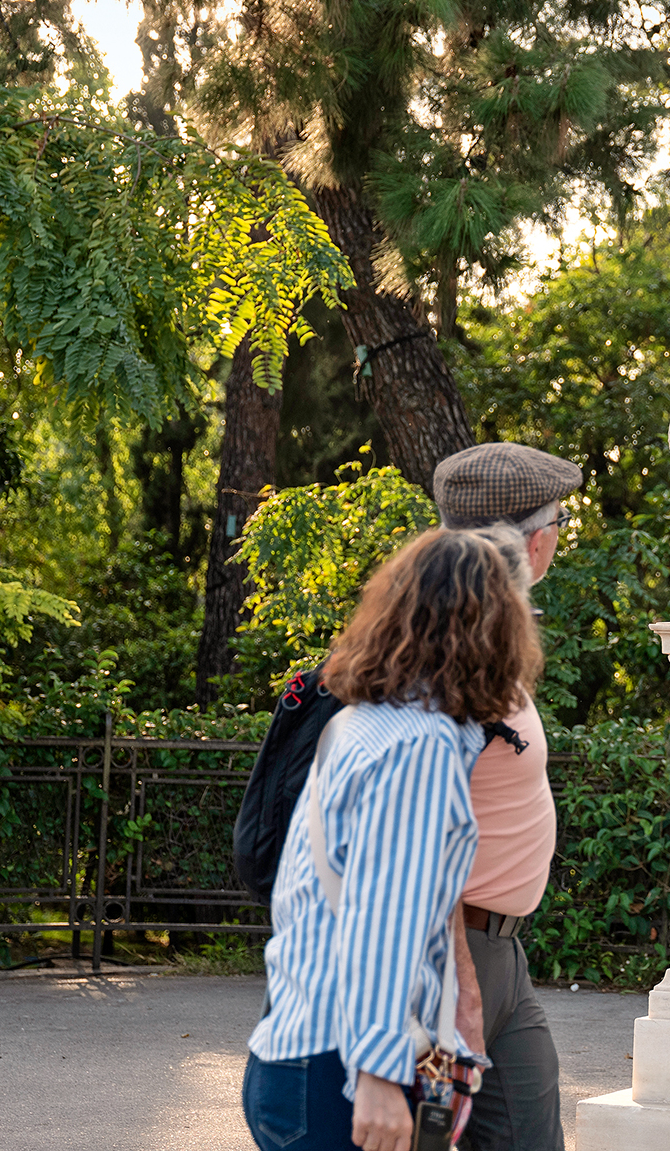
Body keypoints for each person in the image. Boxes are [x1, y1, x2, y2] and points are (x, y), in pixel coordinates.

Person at [244, 528, 542, 1151]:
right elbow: (385, 921)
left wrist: (441, 1056)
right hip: (342, 1076)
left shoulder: (361, 723)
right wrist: (381, 1076)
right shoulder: (420, 749)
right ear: (490, 630)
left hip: (297, 1055)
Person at [430, 441, 582, 1151]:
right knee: (427, 1134)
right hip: (447, 958)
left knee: (530, 1132)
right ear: (538, 540)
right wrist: (457, 981)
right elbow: (415, 837)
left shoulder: (487, 639)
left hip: (501, 959)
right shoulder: (451, 659)